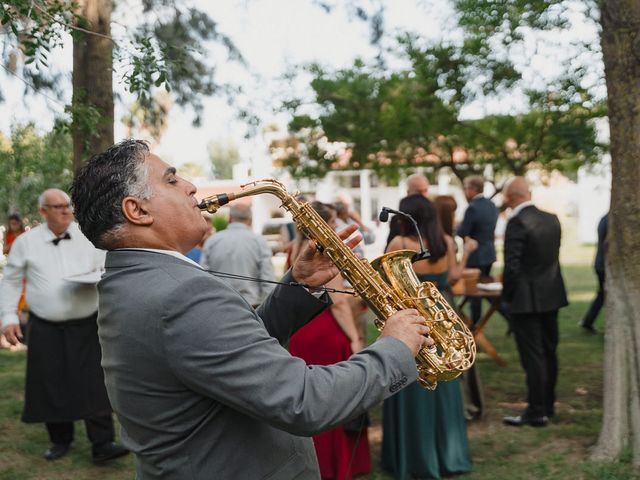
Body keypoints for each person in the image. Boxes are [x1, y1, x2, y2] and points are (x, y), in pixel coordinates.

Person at [70, 139, 432, 479]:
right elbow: (303, 401)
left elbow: (225, 357)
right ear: (137, 210)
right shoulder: (180, 294)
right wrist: (395, 348)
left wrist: (299, 287)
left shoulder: (130, 278)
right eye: (172, 180)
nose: (191, 186)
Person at [0, 189, 128, 463]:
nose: (66, 211)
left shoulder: (88, 236)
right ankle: (60, 440)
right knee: (50, 383)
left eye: (68, 206)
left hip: (88, 323)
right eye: (58, 207)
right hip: (45, 325)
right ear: (43, 212)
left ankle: (103, 444)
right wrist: (9, 317)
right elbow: (11, 280)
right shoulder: (26, 242)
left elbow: (108, 268)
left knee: (95, 382)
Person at [382, 194, 475, 480]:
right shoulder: (446, 241)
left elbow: (385, 282)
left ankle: (413, 458)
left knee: (411, 379)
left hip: (413, 319)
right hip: (443, 315)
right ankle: (447, 455)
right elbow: (455, 276)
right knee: (444, 382)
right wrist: (468, 251)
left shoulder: (400, 244)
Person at [501, 177, 568, 427]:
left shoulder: (517, 222)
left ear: (510, 197)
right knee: (550, 351)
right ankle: (548, 405)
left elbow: (512, 266)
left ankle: (536, 411)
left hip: (526, 299)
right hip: (551, 293)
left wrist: (507, 296)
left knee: (533, 356)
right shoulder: (552, 219)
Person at [199, 203, 275, 307]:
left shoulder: (212, 241)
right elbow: (267, 279)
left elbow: (204, 277)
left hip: (219, 305)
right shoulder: (259, 241)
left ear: (230, 218)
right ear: (250, 219)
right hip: (251, 306)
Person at [456, 175, 499, 326]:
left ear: (473, 189)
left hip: (475, 255)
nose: (465, 191)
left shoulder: (472, 208)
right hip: (489, 253)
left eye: (466, 188)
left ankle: (475, 325)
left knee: (474, 292)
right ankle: (508, 315)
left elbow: (462, 231)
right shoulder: (492, 205)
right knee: (485, 290)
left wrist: (456, 225)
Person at [579, 212, 608, 333]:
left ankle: (588, 321)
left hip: (601, 263)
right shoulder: (613, 220)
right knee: (606, 295)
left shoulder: (605, 218)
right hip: (605, 265)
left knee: (602, 294)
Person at [386, 173, 431, 246]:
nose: (423, 195)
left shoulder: (436, 216)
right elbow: (390, 253)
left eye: (425, 191)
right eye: (419, 192)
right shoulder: (398, 220)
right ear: (408, 193)